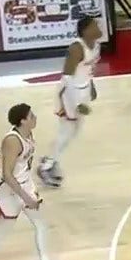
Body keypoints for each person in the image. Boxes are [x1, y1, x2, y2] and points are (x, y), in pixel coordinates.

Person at [0, 104, 70, 260]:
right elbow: (8, 175)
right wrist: (26, 197)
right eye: (31, 115)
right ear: (23, 120)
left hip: (25, 187)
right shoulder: (12, 140)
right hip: (11, 192)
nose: (35, 117)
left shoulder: (27, 135)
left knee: (42, 226)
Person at [38, 17, 103, 187]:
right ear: (86, 30)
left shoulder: (96, 46)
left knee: (74, 131)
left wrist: (91, 86)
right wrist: (76, 104)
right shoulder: (76, 48)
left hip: (82, 90)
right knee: (67, 131)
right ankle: (46, 166)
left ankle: (51, 158)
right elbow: (67, 77)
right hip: (69, 93)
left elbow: (88, 70)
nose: (99, 27)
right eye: (95, 25)